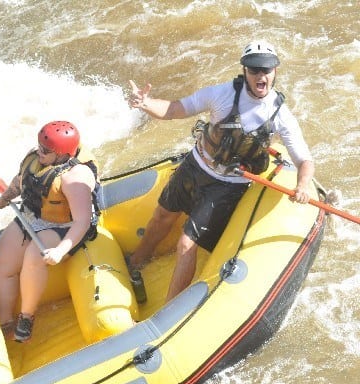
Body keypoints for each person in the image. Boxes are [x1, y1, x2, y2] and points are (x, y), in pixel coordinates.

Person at [126, 40, 315, 302]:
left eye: (267, 70)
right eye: (255, 70)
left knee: (185, 244)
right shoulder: (221, 94)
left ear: (275, 72)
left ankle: (169, 310)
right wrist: (144, 103)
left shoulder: (280, 115)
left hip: (228, 185)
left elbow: (305, 160)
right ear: (245, 71)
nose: (261, 76)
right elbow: (174, 110)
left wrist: (303, 185)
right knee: (162, 216)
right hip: (195, 165)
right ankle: (135, 262)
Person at [0, 120, 100, 342]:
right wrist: (4, 198)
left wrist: (60, 250)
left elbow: (82, 221)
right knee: (2, 263)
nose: (39, 151)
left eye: (46, 150)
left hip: (65, 225)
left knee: (34, 256)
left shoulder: (75, 177)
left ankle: (26, 316)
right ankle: (5, 322)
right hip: (34, 214)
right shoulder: (38, 157)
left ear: (62, 154)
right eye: (39, 146)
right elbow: (22, 180)